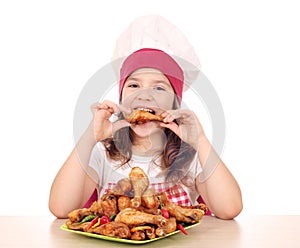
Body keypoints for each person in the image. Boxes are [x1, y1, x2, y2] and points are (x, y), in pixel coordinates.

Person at [49, 48, 242, 220]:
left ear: (175, 104)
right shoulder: (103, 152)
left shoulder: (190, 154)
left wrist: (200, 140)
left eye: (159, 88)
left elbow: (229, 209)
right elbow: (61, 208)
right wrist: (90, 137)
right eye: (134, 85)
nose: (144, 95)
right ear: (122, 99)